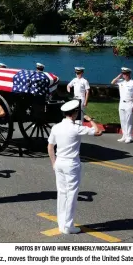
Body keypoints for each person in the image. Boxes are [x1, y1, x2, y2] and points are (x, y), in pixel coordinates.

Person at [47, 99, 102, 234]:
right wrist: (90, 120)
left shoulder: (56, 127)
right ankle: (68, 226)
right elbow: (98, 131)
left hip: (59, 162)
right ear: (75, 113)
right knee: (71, 194)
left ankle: (61, 224)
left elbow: (50, 146)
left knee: (62, 193)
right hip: (71, 163)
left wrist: (53, 163)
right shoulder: (76, 128)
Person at [111, 67, 133, 143]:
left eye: (125, 74)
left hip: (129, 103)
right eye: (123, 74)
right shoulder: (121, 82)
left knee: (128, 121)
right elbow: (112, 82)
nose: (124, 75)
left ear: (129, 74)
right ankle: (124, 136)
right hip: (121, 103)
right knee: (122, 120)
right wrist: (118, 76)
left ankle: (129, 137)